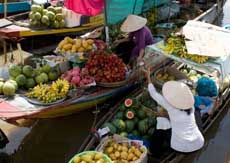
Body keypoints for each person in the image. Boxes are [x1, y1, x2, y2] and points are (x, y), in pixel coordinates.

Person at [144, 67, 204, 153]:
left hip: (180, 148)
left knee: (162, 121)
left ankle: (154, 151)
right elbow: (179, 116)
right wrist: (166, 115)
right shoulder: (191, 107)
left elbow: (153, 93)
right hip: (198, 143)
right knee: (196, 112)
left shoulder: (171, 107)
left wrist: (148, 77)